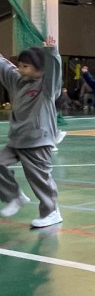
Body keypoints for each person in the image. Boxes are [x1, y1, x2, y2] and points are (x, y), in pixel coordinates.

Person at [0, 37, 62, 227]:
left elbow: (54, 71)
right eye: (20, 65)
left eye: (25, 66)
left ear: (40, 69)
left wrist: (51, 52)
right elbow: (4, 67)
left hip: (38, 141)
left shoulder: (47, 87)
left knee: (40, 179)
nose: (20, 69)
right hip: (17, 140)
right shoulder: (18, 82)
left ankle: (52, 212)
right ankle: (15, 196)